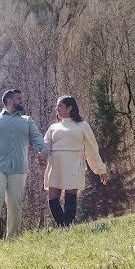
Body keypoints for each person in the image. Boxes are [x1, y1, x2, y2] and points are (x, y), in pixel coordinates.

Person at [0, 89, 49, 239]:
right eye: (18, 98)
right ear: (9, 101)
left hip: (19, 169)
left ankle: (12, 239)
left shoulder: (27, 121)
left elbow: (38, 139)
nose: (21, 101)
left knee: (15, 204)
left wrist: (43, 151)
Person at [44, 95, 109, 226]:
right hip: (55, 164)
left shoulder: (82, 126)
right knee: (53, 196)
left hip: (74, 163)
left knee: (70, 194)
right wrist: (41, 155)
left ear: (69, 108)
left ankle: (67, 225)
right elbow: (45, 145)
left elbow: (92, 148)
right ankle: (61, 224)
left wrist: (100, 170)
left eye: (59, 106)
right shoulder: (53, 127)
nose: (56, 108)